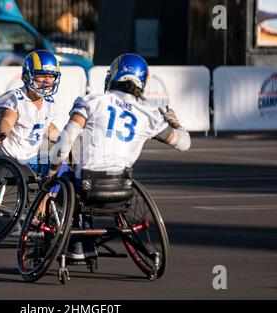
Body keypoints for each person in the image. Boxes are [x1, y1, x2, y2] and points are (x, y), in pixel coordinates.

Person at [46, 53, 191, 262]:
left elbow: (63, 145)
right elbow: (184, 143)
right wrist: (175, 122)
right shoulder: (149, 116)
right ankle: (85, 245)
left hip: (88, 184)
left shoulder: (92, 101)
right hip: (123, 187)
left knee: (66, 178)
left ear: (114, 75)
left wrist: (51, 172)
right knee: (78, 180)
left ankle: (77, 245)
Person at [0, 49, 66, 178]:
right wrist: (1, 134)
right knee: (57, 168)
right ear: (28, 75)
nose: (47, 81)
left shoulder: (49, 102)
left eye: (51, 75)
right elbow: (7, 120)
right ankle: (47, 196)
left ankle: (48, 198)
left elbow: (46, 126)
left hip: (32, 159)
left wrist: (64, 141)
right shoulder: (15, 98)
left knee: (65, 164)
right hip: (11, 159)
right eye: (42, 75)